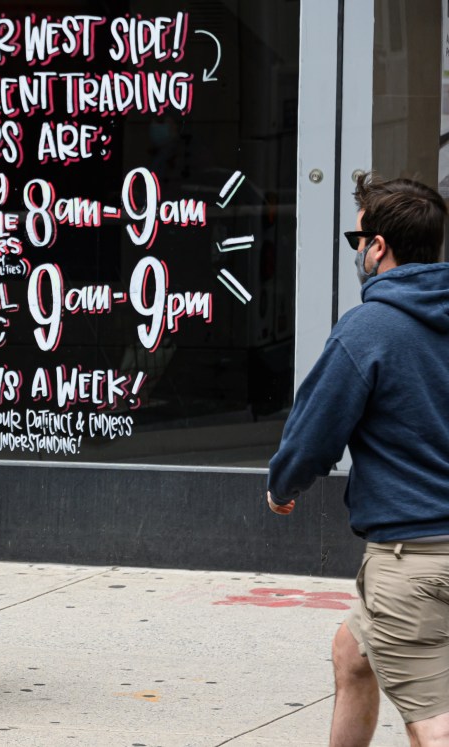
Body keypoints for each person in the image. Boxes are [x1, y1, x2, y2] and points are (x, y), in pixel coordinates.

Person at [267, 173, 449, 745]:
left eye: (358, 240)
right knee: (353, 654)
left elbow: (313, 434)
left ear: (378, 247)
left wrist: (283, 486)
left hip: (412, 558)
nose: (358, 253)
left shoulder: (368, 329)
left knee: (433, 725)